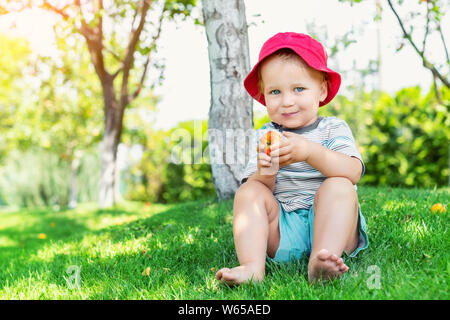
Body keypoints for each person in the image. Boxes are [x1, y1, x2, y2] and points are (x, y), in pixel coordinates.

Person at [215, 32, 369, 285]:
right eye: (275, 91)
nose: (287, 101)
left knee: (339, 185)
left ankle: (322, 261)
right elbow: (260, 192)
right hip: (283, 231)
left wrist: (309, 152)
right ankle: (252, 268)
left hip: (333, 226)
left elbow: (353, 171)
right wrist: (266, 172)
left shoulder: (333, 128)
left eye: (299, 89)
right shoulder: (266, 134)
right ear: (264, 96)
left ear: (321, 90)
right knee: (248, 191)